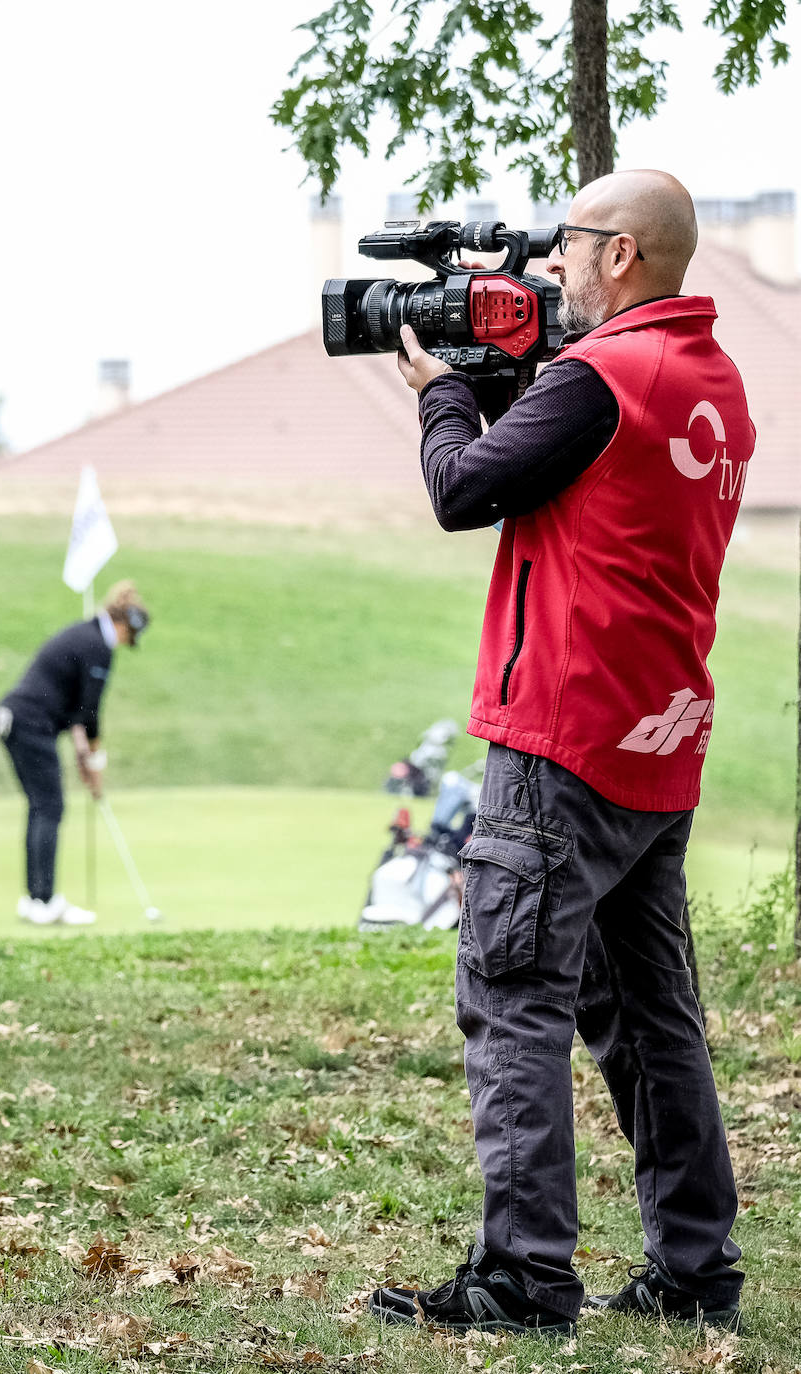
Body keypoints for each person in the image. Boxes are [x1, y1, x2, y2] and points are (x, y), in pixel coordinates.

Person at [368, 170, 754, 1337]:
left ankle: (524, 1280)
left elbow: (461, 491)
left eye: (572, 243)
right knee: (649, 1016)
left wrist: (441, 394)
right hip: (656, 737)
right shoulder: (711, 381)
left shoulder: (599, 378)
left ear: (624, 254)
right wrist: (514, 384)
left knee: (513, 994)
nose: (552, 263)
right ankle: (694, 1274)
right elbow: (585, 482)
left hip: (561, 734)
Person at [0, 580, 150, 926]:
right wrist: (94, 759)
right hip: (29, 723)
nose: (126, 643)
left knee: (41, 807)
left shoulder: (86, 635)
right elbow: (90, 712)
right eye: (129, 637)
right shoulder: (98, 645)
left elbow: (78, 711)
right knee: (49, 807)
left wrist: (85, 758)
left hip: (15, 720)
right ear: (124, 626)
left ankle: (35, 899)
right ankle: (44, 901)